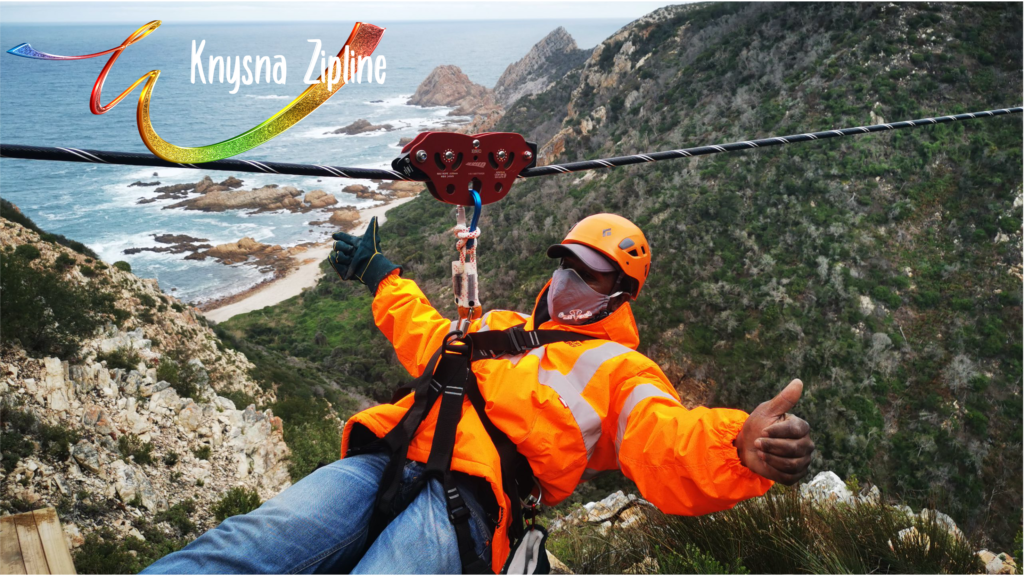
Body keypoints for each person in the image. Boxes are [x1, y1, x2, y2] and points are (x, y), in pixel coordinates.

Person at [141, 213, 814, 576]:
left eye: (591, 276)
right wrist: (381, 275)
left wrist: (737, 446)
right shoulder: (499, 328)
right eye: (566, 266)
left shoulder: (621, 370)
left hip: (468, 502)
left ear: (619, 295)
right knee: (238, 550)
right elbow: (428, 336)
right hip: (386, 459)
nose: (569, 282)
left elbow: (665, 437)